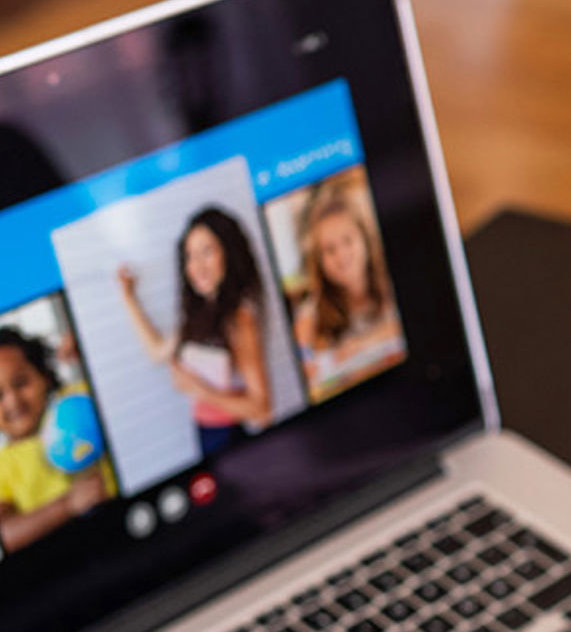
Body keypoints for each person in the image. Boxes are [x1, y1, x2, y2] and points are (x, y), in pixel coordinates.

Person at [117, 205, 273, 455]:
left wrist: (197, 388)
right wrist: (128, 297)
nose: (196, 266)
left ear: (228, 253)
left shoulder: (238, 319)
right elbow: (158, 351)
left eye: (207, 252)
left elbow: (261, 407)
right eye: (190, 255)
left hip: (230, 436)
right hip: (205, 432)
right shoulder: (197, 314)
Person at [0, 327, 111, 551]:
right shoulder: (3, 466)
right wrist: (68, 505)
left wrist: (92, 348)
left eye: (21, 383)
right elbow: (5, 534)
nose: (13, 401)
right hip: (64, 558)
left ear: (45, 377)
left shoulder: (78, 397)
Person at [290, 181, 402, 400]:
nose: (341, 256)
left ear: (365, 239)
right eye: (329, 250)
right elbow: (305, 364)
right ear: (319, 261)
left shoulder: (391, 281)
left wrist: (362, 345)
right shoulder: (310, 314)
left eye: (348, 241)